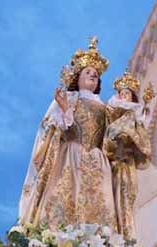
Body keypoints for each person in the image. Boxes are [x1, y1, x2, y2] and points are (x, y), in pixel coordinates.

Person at [19, 36, 120, 230]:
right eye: (88, 72)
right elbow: (56, 127)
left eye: (96, 74)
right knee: (67, 198)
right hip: (72, 155)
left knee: (100, 203)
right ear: (78, 77)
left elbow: (110, 136)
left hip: (97, 161)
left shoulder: (106, 107)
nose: (92, 75)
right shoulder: (70, 98)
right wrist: (65, 109)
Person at [103, 70, 151, 239]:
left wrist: (132, 136)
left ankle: (126, 235)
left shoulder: (135, 116)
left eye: (127, 94)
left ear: (133, 98)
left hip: (127, 164)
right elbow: (107, 135)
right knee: (109, 200)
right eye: (121, 93)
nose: (124, 97)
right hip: (110, 163)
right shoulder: (110, 113)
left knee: (126, 198)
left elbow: (144, 146)